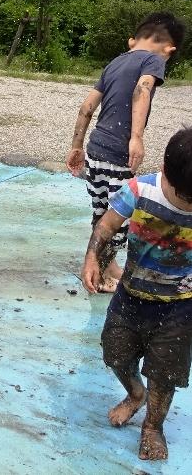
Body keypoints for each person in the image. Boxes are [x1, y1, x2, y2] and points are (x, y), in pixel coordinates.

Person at [80, 127, 192, 462]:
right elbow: (107, 224)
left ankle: (152, 427)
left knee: (165, 374)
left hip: (180, 307)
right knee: (115, 354)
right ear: (165, 170)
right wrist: (92, 258)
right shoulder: (140, 190)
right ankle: (134, 393)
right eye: (185, 198)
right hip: (130, 296)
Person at [67, 12, 184, 291]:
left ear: (133, 41)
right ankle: (102, 275)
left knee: (100, 211)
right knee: (118, 218)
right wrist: (136, 137)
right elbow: (142, 89)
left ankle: (106, 265)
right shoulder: (153, 60)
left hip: (95, 152)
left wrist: (76, 146)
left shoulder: (115, 62)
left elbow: (86, 107)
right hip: (117, 154)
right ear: (169, 50)